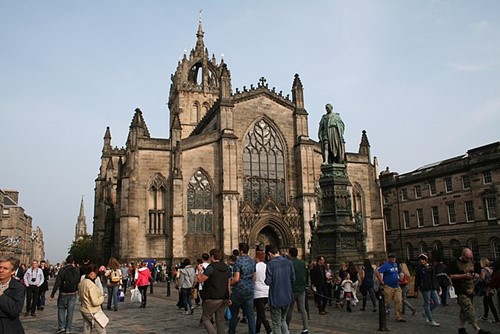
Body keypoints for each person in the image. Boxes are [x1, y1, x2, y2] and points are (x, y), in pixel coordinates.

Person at [449, 248, 491, 334]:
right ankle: (478, 330)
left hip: (470, 289)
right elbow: (451, 276)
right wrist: (464, 276)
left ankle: (461, 329)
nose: (468, 260)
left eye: (470, 258)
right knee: (469, 309)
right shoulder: (455, 263)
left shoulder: (471, 261)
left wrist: (476, 275)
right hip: (460, 289)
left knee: (464, 310)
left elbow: (473, 272)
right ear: (462, 255)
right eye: (467, 258)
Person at [196, 248, 231, 334]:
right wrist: (229, 297)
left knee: (205, 318)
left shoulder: (211, 268)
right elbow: (228, 284)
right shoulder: (226, 267)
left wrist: (199, 270)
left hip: (213, 297)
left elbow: (200, 279)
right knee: (220, 320)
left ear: (212, 257)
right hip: (224, 297)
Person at [265, 246, 295, 334]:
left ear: (270, 254)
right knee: (283, 320)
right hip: (287, 296)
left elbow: (268, 281)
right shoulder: (288, 262)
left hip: (276, 297)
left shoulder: (270, 264)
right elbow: (293, 278)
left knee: (276, 323)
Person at [228, 242, 256, 334]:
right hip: (249, 290)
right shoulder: (252, 261)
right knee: (250, 315)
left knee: (234, 314)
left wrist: (229, 284)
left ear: (241, 251)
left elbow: (236, 279)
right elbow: (254, 278)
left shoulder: (238, 262)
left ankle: (231, 332)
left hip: (239, 290)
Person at [50, 255, 80, 334]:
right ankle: (68, 329)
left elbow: (57, 283)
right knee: (70, 312)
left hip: (63, 293)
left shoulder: (62, 270)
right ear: (73, 262)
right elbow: (78, 281)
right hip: (73, 293)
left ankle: (61, 327)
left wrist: (53, 294)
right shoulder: (76, 270)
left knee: (61, 309)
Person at [376, 253, 405, 322]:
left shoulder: (395, 264)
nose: (393, 259)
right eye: (392, 258)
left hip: (397, 286)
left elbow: (396, 273)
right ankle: (382, 314)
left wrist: (399, 278)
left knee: (399, 301)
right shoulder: (386, 265)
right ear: (389, 259)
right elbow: (377, 271)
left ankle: (398, 316)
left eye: (394, 258)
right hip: (389, 286)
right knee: (386, 302)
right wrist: (381, 281)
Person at [285, 247, 309, 334]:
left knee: (289, 308)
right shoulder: (302, 263)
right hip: (301, 289)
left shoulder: (289, 263)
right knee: (303, 309)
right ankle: (305, 328)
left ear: (290, 254)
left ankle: (286, 327)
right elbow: (305, 275)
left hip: (292, 289)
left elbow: (289, 277)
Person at [0, 257, 26, 333]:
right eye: (0, 267)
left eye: (5, 268)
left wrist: (1, 295)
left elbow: (15, 310)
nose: (1, 270)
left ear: (12, 272)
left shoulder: (19, 288)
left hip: (8, 327)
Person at [78, 264, 106, 334]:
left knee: (86, 330)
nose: (96, 276)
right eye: (96, 273)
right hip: (92, 311)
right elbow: (95, 302)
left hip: (84, 308)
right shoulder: (91, 285)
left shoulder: (81, 283)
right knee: (102, 331)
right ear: (92, 273)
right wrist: (102, 297)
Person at [414, 253, 440, 326]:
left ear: (426, 260)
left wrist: (437, 287)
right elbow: (417, 279)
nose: (422, 261)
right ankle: (431, 320)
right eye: (420, 260)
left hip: (432, 287)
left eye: (423, 259)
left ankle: (425, 312)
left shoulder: (431, 267)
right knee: (427, 303)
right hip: (425, 288)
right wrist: (416, 290)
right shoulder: (419, 268)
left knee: (437, 302)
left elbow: (434, 278)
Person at [254, 250, 272, 334]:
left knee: (261, 314)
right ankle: (257, 330)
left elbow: (253, 279)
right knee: (259, 312)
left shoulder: (255, 267)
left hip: (258, 293)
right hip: (267, 292)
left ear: (257, 257)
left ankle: (269, 330)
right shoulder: (267, 266)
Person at [479, 258, 498, 323]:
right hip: (492, 289)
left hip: (486, 289)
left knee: (490, 303)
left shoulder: (483, 270)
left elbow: (482, 279)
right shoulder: (491, 269)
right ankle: (485, 316)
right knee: (485, 302)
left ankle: (496, 319)